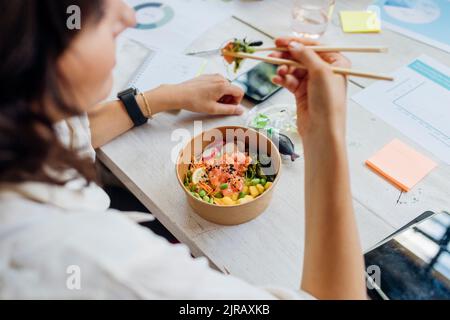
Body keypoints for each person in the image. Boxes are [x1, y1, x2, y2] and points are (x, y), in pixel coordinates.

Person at [0, 0, 366, 299]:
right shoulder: (103, 264)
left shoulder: (17, 123)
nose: (128, 16)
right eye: (95, 10)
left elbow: (66, 135)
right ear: (25, 48)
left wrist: (159, 99)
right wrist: (325, 131)